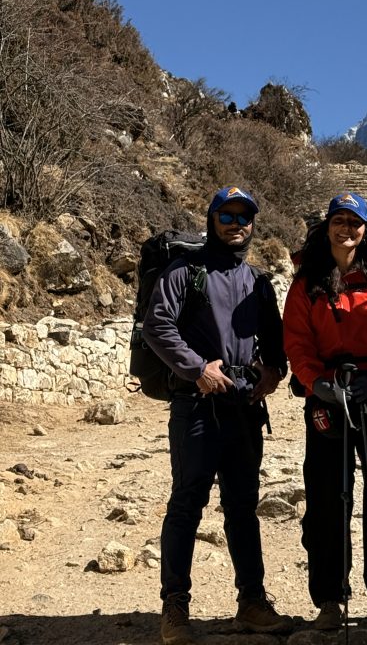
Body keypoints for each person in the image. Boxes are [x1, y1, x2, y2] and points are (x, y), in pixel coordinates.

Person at [143, 186, 292, 644]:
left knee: (243, 507)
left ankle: (252, 602)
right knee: (187, 503)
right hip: (196, 405)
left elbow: (276, 343)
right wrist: (197, 369)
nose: (235, 224)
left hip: (244, 408)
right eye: (226, 216)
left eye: (244, 217)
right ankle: (175, 607)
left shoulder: (258, 282)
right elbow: (157, 326)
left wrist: (272, 373)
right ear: (212, 220)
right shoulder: (184, 272)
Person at [283, 191, 367, 631]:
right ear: (327, 227)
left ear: (365, 229)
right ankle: (330, 598)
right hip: (326, 396)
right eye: (339, 221)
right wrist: (315, 381)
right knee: (326, 497)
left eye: (354, 222)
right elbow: (296, 339)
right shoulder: (307, 283)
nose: (346, 229)